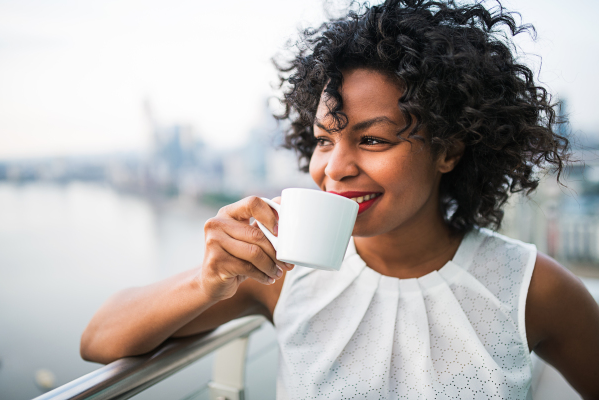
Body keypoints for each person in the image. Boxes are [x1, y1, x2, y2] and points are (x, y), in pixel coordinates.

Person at [80, 0, 599, 398]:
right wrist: (206, 282)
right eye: (325, 139)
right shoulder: (280, 272)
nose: (335, 167)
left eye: (373, 139)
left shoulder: (530, 288)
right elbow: (99, 339)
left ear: (449, 149)